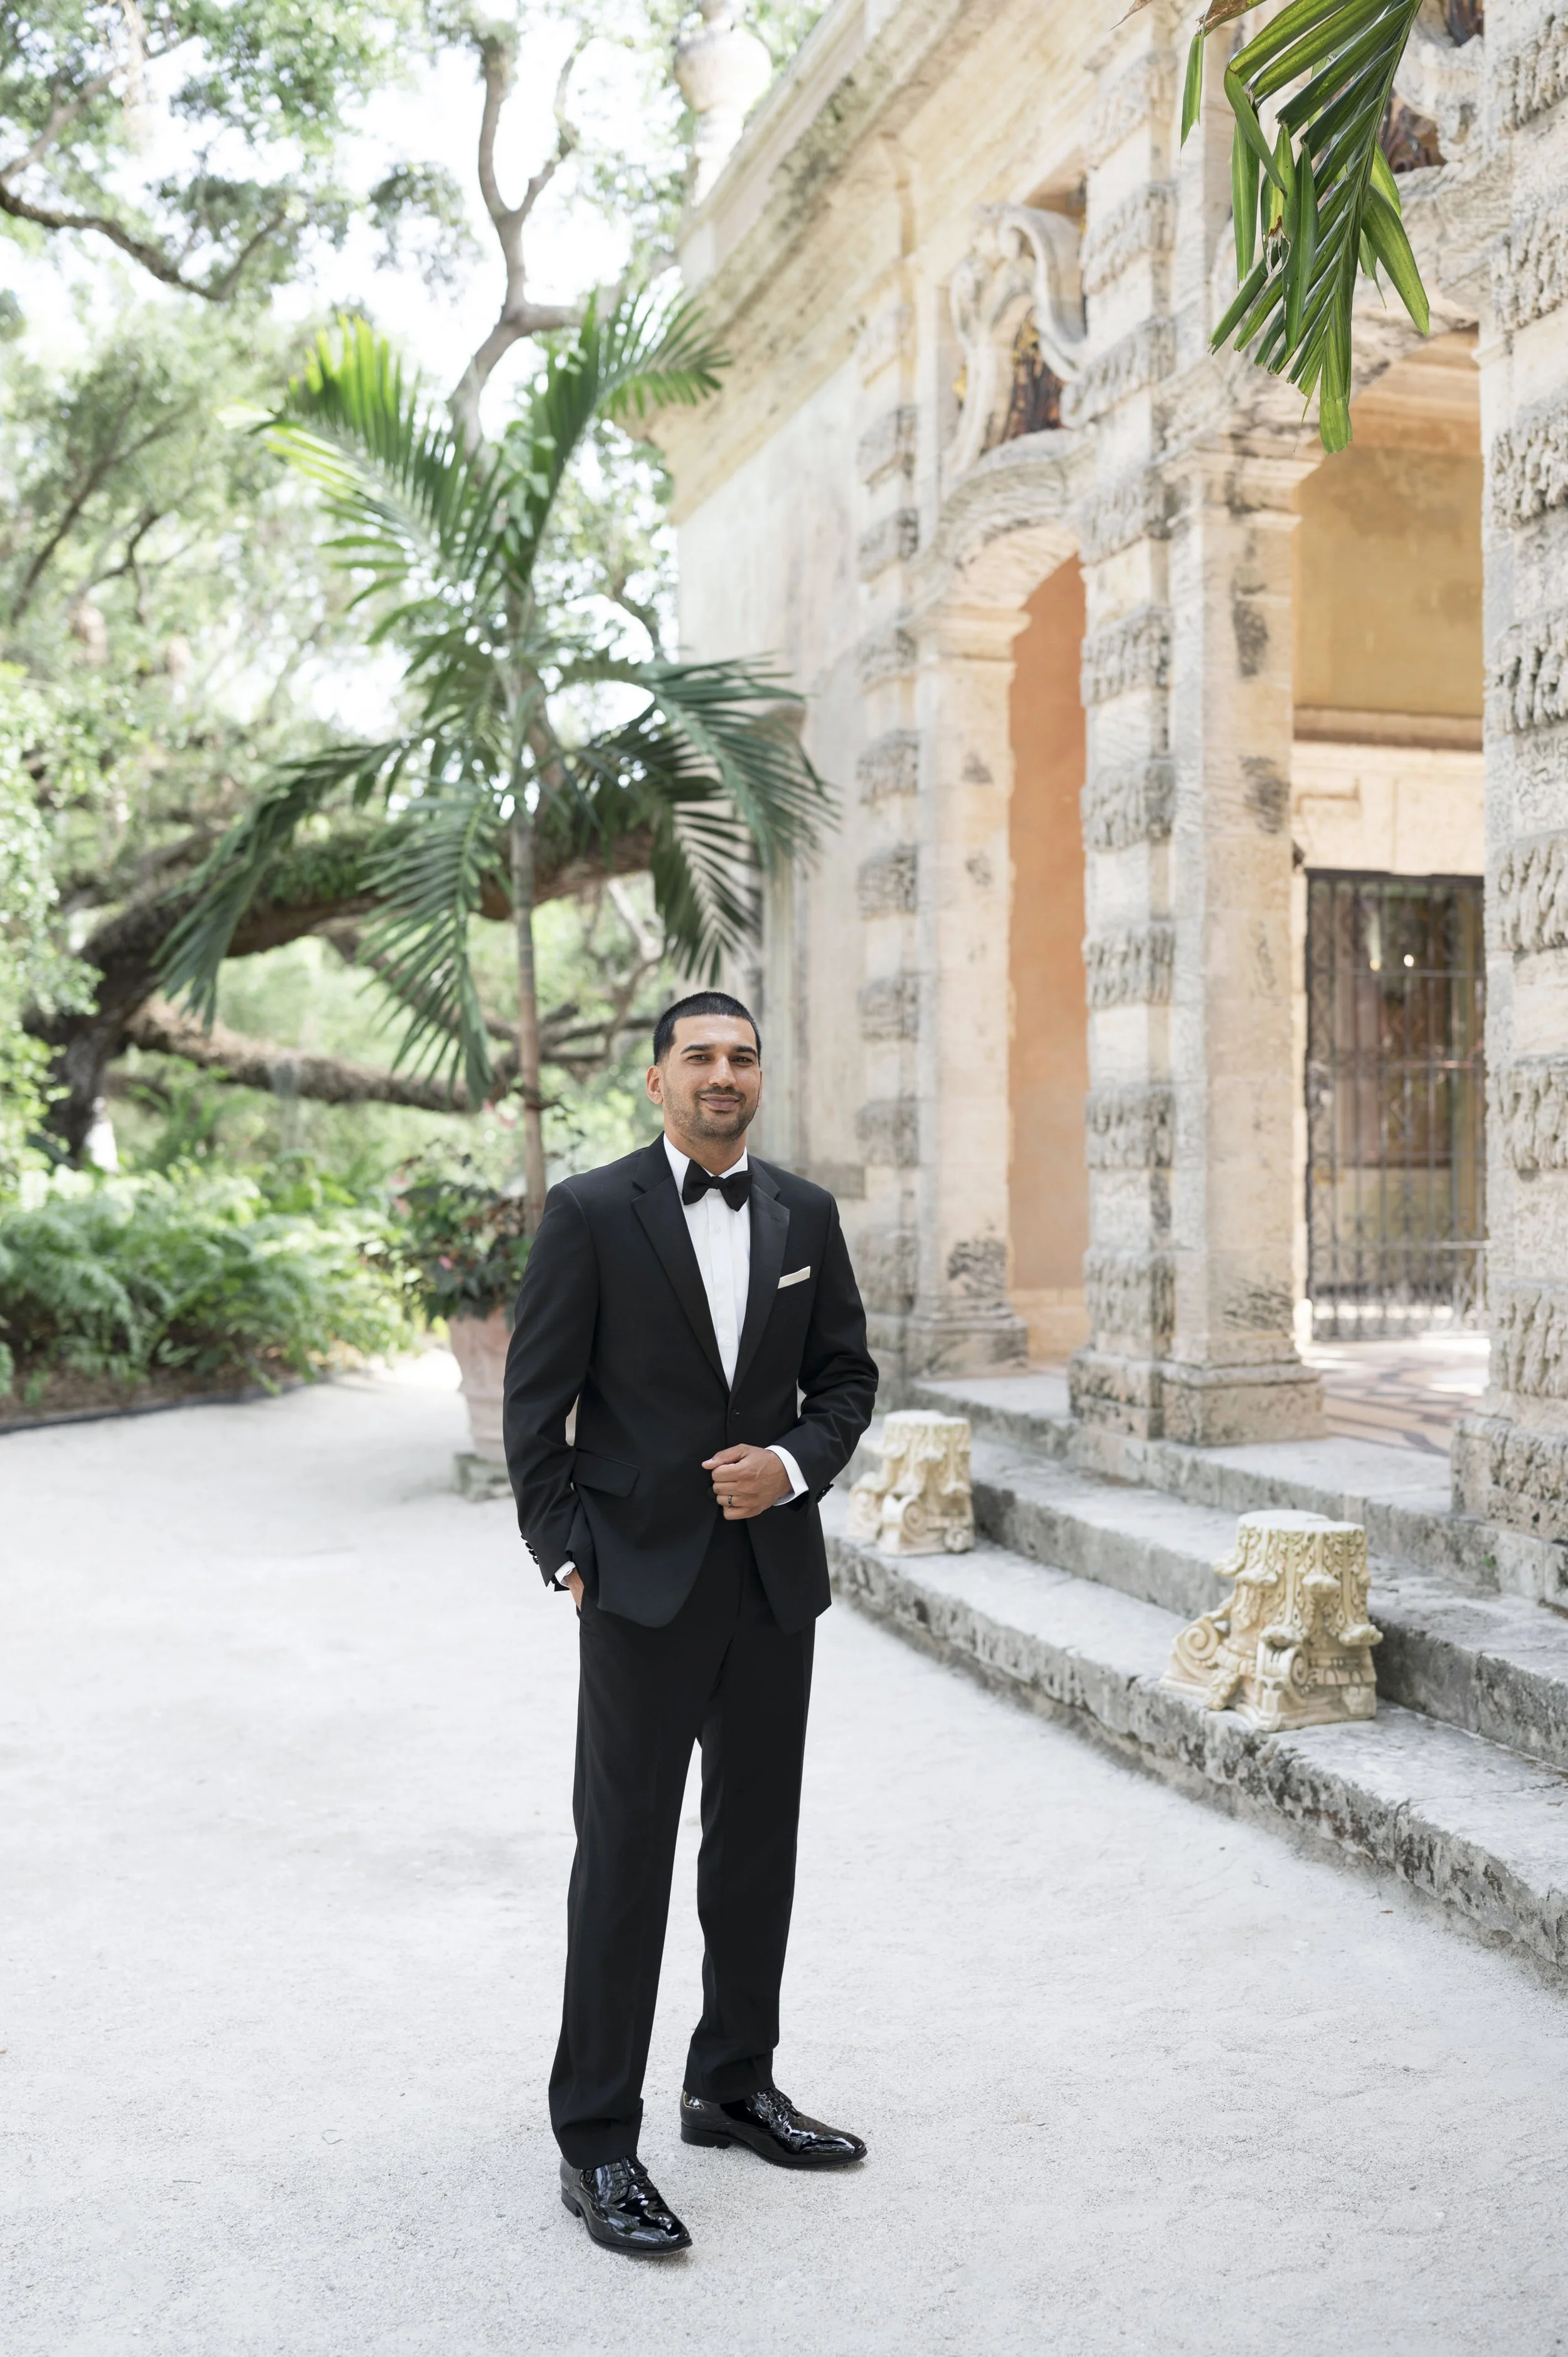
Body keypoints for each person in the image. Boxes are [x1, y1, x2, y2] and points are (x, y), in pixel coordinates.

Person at [502, 990, 879, 2257]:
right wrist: (565, 1550)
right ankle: (596, 2140)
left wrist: (790, 1462)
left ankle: (732, 2084)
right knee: (623, 1860)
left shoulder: (804, 1216)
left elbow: (844, 1380)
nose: (724, 1075)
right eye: (700, 1057)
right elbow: (535, 1398)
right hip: (637, 1583)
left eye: (742, 1057)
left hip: (772, 1579)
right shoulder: (590, 1213)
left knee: (753, 1847)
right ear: (656, 1079)